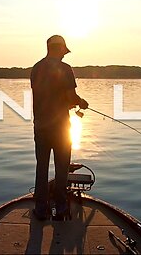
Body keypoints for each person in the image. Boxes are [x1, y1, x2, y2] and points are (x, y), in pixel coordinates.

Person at [30, 35, 89, 220]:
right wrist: (81, 102)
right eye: (63, 51)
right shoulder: (65, 69)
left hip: (40, 126)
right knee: (62, 168)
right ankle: (62, 209)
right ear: (58, 49)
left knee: (42, 168)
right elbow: (70, 96)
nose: (64, 55)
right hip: (61, 127)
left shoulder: (36, 68)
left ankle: (41, 210)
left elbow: (47, 96)